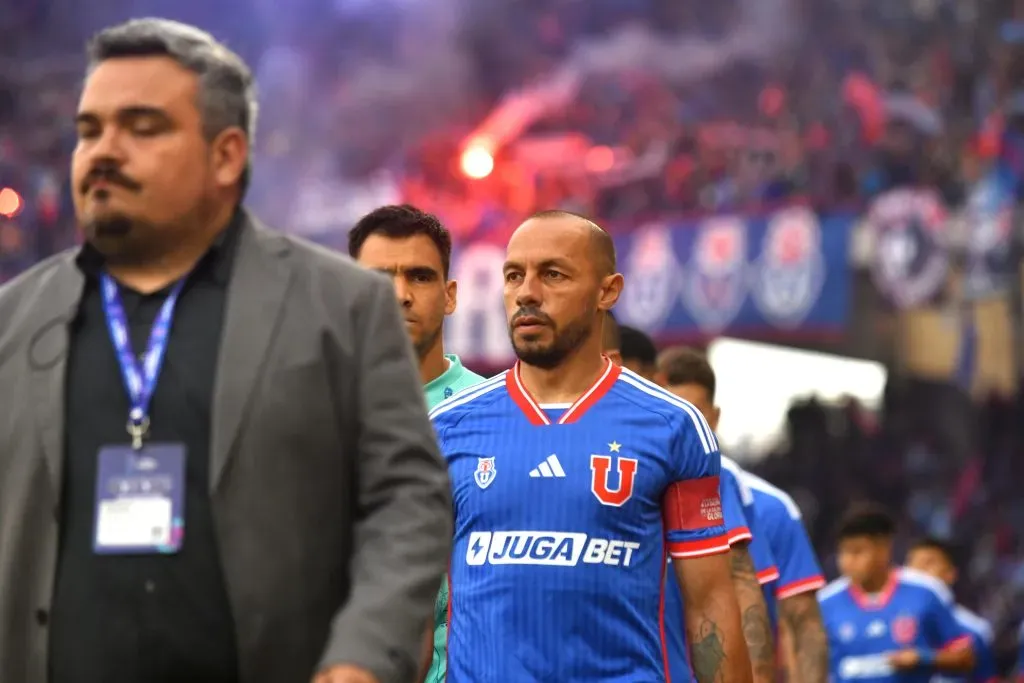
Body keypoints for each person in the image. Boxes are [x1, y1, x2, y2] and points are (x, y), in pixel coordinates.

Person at [0, 18, 451, 683]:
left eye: (142, 127)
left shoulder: (341, 307)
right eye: (90, 129)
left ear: (226, 155)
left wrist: (363, 650)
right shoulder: (13, 319)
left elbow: (407, 499)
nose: (103, 151)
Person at [429, 209, 752, 682]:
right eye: (514, 275)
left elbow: (710, 604)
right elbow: (411, 606)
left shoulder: (673, 427)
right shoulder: (447, 428)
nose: (527, 293)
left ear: (608, 291)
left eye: (553, 275)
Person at [347, 203, 486, 683]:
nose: (400, 294)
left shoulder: (497, 413)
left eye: (420, 277)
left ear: (449, 295)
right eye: (381, 277)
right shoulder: (307, 409)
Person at [658, 346, 829, 683]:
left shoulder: (774, 509)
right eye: (669, 414)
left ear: (715, 417)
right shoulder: (626, 498)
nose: (682, 429)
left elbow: (803, 623)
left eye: (694, 416)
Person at [818, 505, 974, 683]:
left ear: (883, 550)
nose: (847, 561)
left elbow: (966, 658)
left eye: (857, 551)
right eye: (843, 552)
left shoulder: (926, 592)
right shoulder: (825, 602)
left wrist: (923, 658)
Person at [905, 537, 998, 683]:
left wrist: (923, 658)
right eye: (912, 564)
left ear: (950, 574)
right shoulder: (887, 618)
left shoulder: (974, 630)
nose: (918, 572)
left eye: (928, 563)